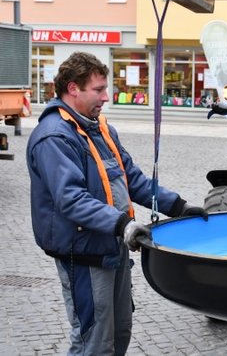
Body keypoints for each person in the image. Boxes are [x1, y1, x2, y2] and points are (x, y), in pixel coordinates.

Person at [26, 52, 208, 356]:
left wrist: (177, 206)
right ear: (73, 89)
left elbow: (131, 179)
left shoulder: (100, 129)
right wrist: (122, 224)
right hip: (84, 254)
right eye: (98, 90)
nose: (106, 97)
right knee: (94, 343)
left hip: (112, 248)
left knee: (119, 333)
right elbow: (70, 199)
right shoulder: (55, 136)